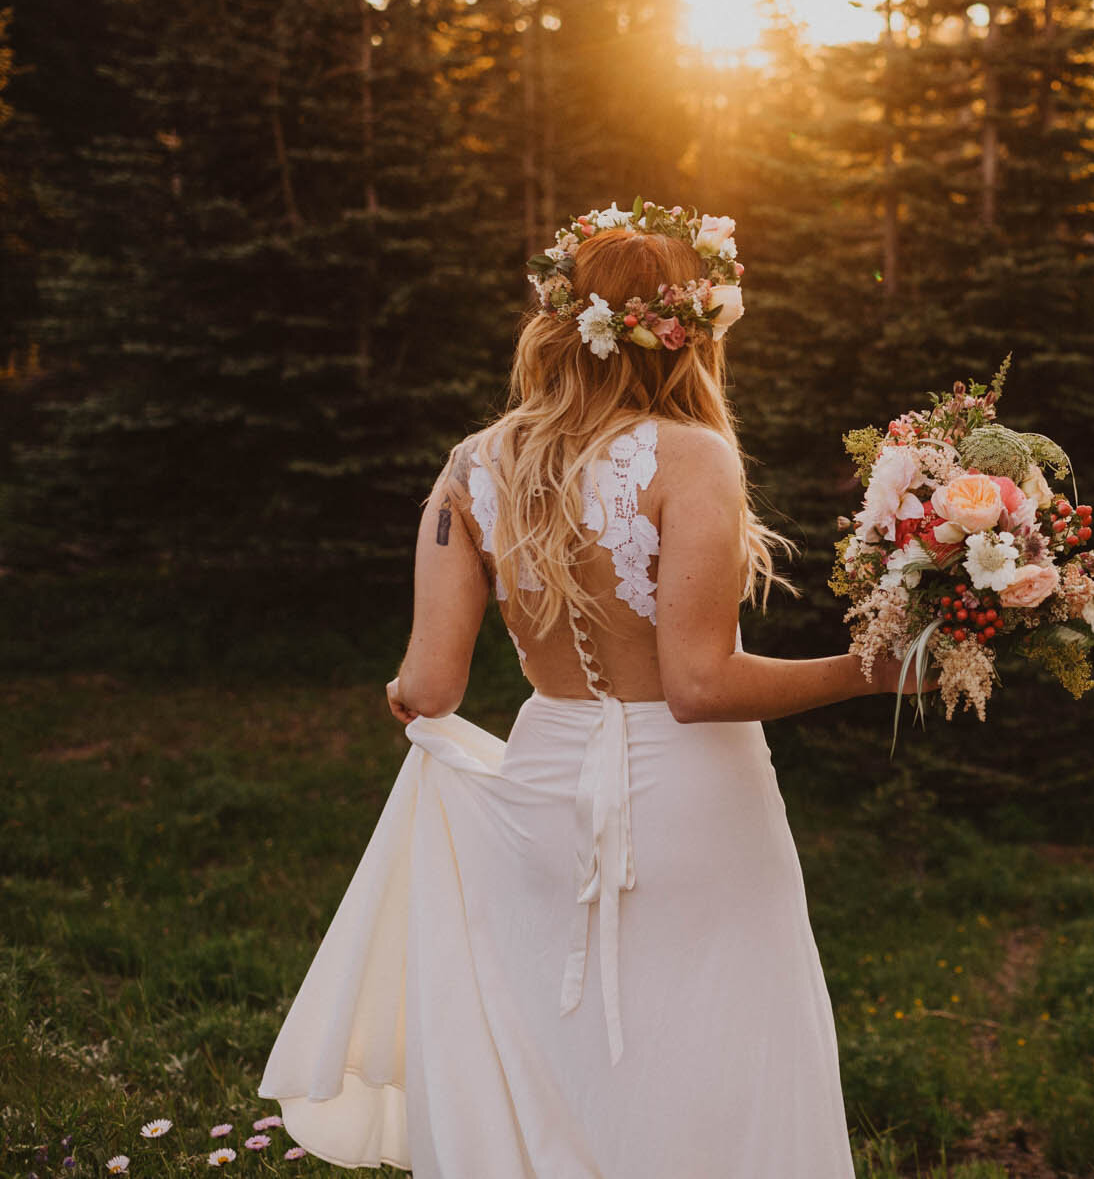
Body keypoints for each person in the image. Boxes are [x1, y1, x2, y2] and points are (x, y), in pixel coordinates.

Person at [260, 203, 918, 1179]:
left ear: (559, 325)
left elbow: (431, 687)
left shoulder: (472, 466)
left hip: (543, 791)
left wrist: (401, 689)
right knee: (716, 1056)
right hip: (693, 798)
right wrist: (865, 671)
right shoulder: (690, 457)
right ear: (685, 332)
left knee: (567, 1059)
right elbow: (696, 685)